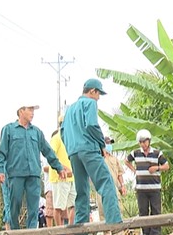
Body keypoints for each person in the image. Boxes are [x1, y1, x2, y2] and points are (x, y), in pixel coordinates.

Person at [0, 102, 70, 229]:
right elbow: (1, 152)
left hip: (34, 175)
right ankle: (15, 232)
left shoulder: (36, 132)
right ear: (20, 111)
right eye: (29, 109)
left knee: (34, 207)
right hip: (15, 174)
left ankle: (31, 234)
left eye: (33, 110)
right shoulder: (8, 130)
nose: (32, 112)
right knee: (15, 204)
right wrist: (0, 170)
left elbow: (48, 151)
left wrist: (58, 167)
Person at [61, 78, 122, 226]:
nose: (99, 97)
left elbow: (62, 132)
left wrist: (71, 148)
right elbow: (92, 125)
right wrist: (101, 144)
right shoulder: (90, 103)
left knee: (81, 190)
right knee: (106, 183)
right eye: (98, 93)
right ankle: (114, 222)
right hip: (88, 149)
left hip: (74, 153)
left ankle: (80, 230)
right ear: (92, 91)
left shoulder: (69, 109)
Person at [125, 129, 169, 235]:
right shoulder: (135, 153)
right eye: (140, 142)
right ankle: (145, 233)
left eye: (144, 141)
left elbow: (167, 166)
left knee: (156, 211)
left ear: (149, 141)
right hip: (141, 188)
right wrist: (134, 170)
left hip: (154, 188)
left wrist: (157, 168)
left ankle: (156, 233)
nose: (143, 144)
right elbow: (126, 161)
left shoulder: (157, 153)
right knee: (143, 211)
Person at [47, 114, 75, 226]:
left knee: (73, 205)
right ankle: (59, 231)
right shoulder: (56, 138)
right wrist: (62, 168)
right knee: (58, 206)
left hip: (72, 177)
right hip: (59, 177)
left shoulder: (71, 138)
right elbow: (51, 155)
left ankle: (71, 229)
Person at [96, 135, 126, 222]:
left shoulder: (114, 159)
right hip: (101, 187)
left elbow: (119, 174)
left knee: (117, 208)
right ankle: (106, 232)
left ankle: (118, 230)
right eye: (107, 143)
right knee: (102, 210)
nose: (109, 145)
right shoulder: (98, 158)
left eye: (109, 143)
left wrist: (122, 186)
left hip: (114, 187)